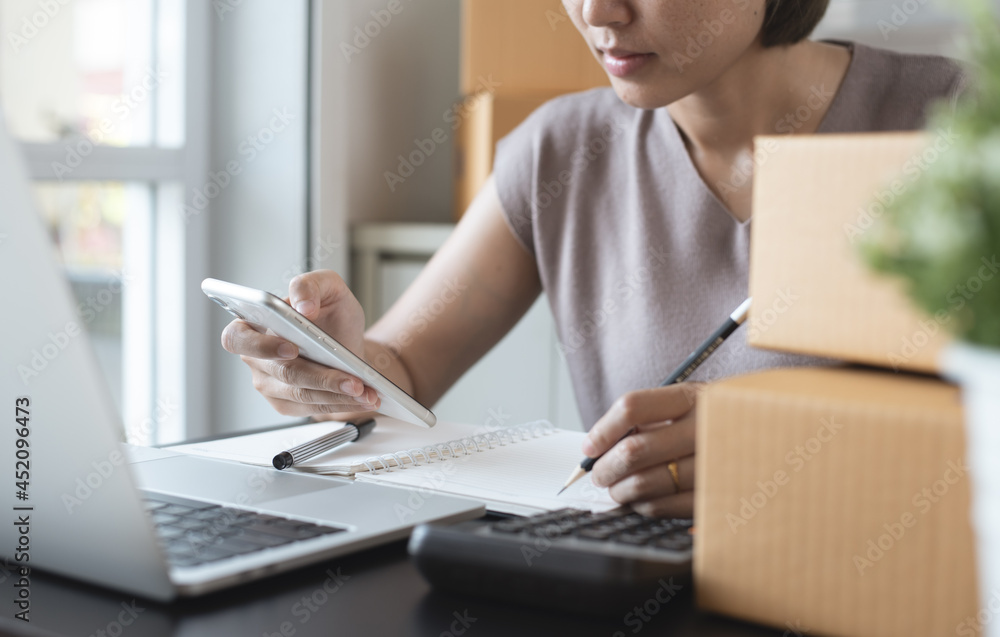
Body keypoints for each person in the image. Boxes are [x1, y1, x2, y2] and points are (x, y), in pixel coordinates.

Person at [221, 0, 968, 518]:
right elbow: (401, 373)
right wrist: (332, 361)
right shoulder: (561, 150)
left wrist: (802, 456)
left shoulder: (963, 124)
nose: (598, 12)